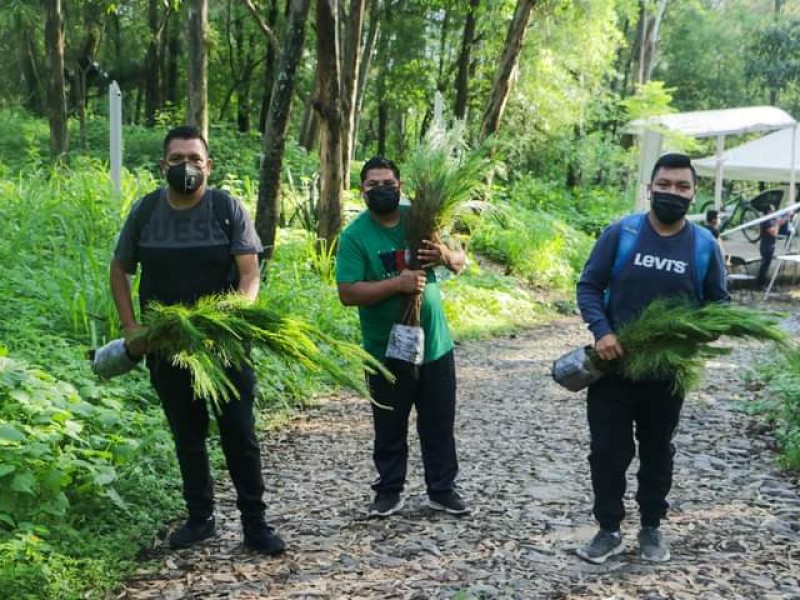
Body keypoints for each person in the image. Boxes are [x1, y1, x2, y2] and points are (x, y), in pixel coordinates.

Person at [109, 125, 285, 555]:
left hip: (225, 346)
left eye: (193, 158)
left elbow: (249, 274)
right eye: (176, 159)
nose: (185, 167)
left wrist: (228, 320)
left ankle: (255, 524)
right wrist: (132, 328)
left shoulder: (227, 208)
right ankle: (200, 518)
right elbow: (120, 270)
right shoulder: (146, 211)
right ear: (162, 165)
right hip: (168, 346)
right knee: (187, 433)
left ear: (208, 165)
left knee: (238, 433)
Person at [575, 152, 728, 564]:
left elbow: (718, 305)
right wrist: (602, 331)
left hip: (667, 374)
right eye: (665, 185)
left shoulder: (703, 246)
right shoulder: (621, 233)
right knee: (608, 450)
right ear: (650, 188)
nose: (672, 193)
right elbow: (589, 286)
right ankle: (608, 529)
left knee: (658, 449)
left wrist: (702, 331)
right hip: (613, 369)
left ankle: (651, 527)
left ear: (693, 194)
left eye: (682, 186)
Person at [335, 156, 469, 518]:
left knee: (439, 421)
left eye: (389, 184)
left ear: (401, 186)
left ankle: (442, 490)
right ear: (361, 190)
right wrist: (398, 283)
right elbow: (347, 293)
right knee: (390, 424)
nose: (382, 190)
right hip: (385, 350)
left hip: (436, 346)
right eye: (373, 185)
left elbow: (461, 262)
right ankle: (388, 490)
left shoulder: (421, 219)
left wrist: (443, 255)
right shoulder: (355, 237)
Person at [756, 202, 791, 290]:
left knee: (766, 265)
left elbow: (780, 222)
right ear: (768, 212)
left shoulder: (771, 220)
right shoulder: (766, 221)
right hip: (766, 246)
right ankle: (760, 284)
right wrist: (778, 223)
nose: (774, 212)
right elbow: (774, 233)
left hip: (770, 245)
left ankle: (762, 284)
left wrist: (787, 216)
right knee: (765, 265)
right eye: (772, 211)